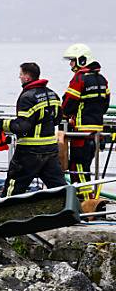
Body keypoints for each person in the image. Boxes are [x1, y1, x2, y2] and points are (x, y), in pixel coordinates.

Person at [0, 62, 66, 196]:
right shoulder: (52, 94)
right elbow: (57, 120)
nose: (19, 77)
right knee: (59, 187)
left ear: (27, 77)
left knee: (14, 186)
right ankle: (71, 212)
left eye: (20, 74)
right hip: (50, 149)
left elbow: (21, 126)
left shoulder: (27, 97)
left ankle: (4, 213)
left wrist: (0, 124)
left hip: (29, 151)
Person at [61, 43, 110, 199]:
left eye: (72, 60)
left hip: (81, 132)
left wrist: (64, 115)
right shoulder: (102, 79)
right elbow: (105, 104)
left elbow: (68, 104)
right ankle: (87, 198)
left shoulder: (79, 79)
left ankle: (86, 200)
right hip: (97, 131)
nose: (71, 64)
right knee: (87, 165)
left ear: (82, 60)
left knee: (78, 167)